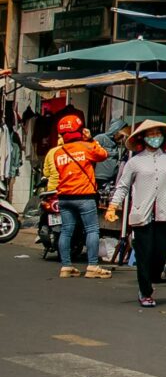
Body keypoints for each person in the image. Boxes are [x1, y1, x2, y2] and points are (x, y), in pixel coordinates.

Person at [106, 119, 166, 308]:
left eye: (157, 133)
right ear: (143, 138)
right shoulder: (134, 162)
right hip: (142, 215)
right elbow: (123, 186)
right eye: (150, 134)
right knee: (144, 253)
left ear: (163, 136)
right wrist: (113, 207)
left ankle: (150, 280)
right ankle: (145, 291)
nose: (154, 137)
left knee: (160, 254)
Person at [43, 114, 109, 279]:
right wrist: (91, 139)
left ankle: (66, 266)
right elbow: (103, 155)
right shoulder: (86, 147)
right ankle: (92, 266)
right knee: (92, 230)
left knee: (66, 231)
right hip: (84, 196)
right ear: (80, 130)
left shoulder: (58, 153)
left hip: (64, 197)